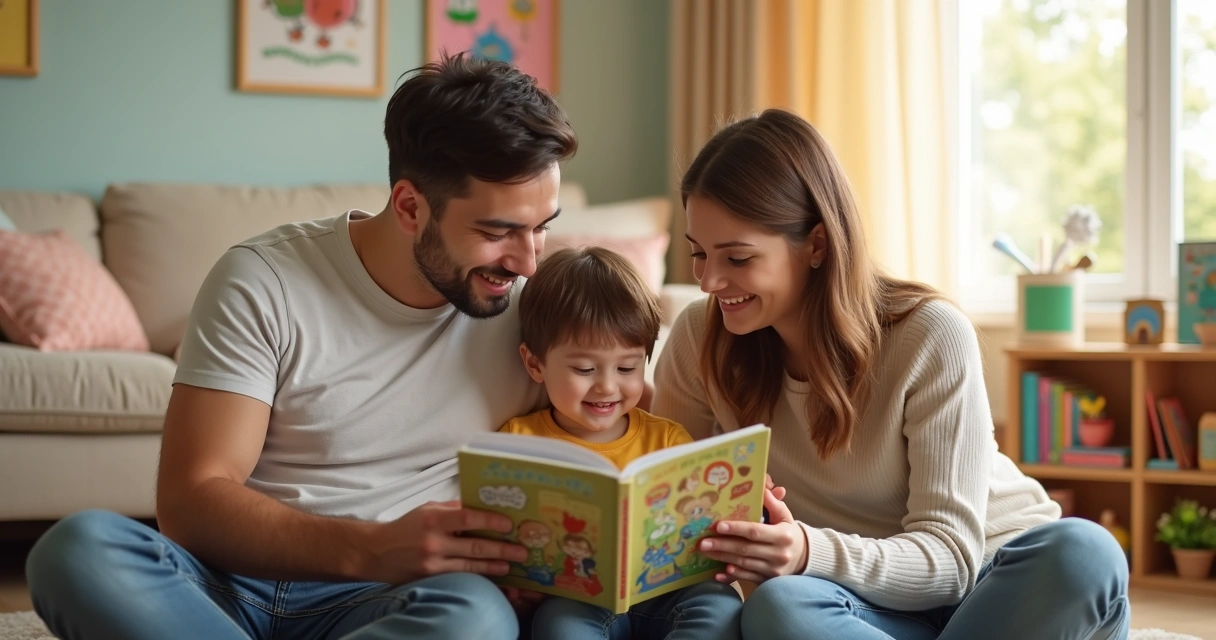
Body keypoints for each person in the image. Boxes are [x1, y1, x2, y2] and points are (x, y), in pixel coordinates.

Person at [24, 54, 578, 640]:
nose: (526, 261)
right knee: (78, 549)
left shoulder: (536, 311)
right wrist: (371, 549)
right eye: (497, 233)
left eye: (542, 226)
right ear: (411, 207)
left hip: (395, 603)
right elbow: (190, 503)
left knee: (476, 618)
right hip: (229, 590)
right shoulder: (265, 280)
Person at [651, 109, 1130, 640]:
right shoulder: (698, 337)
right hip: (865, 607)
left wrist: (808, 548)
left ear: (816, 244)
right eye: (698, 254)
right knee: (781, 607)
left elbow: (951, 560)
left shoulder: (929, 335)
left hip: (999, 584)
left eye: (737, 258)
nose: (709, 281)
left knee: (1084, 551)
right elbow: (676, 525)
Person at [500, 246, 743, 640]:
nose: (607, 386)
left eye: (628, 367)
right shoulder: (518, 442)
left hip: (666, 589)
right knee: (558, 626)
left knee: (720, 607)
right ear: (535, 364)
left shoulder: (667, 439)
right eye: (584, 369)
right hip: (574, 598)